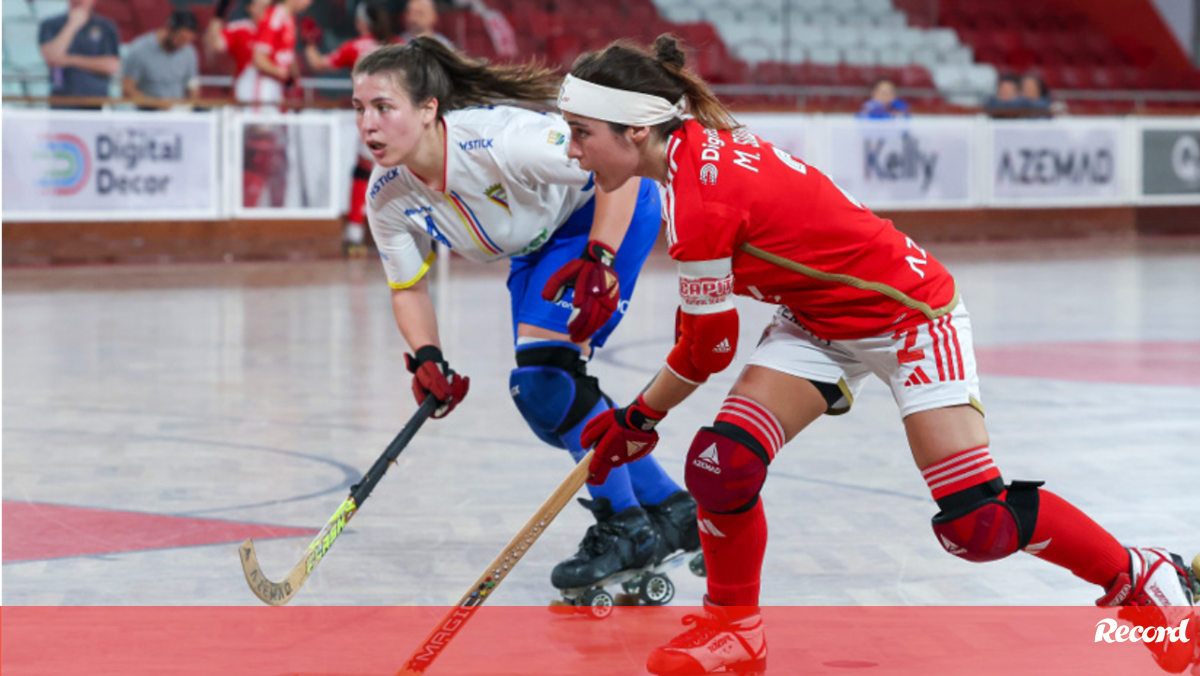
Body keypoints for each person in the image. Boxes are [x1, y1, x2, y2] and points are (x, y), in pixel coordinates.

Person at [557, 35, 1199, 676]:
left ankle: (1143, 575)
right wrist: (641, 418)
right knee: (721, 466)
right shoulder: (689, 156)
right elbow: (708, 341)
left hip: (910, 317)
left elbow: (708, 349)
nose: (572, 149)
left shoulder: (703, 195)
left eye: (581, 132)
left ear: (637, 130)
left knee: (979, 524)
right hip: (816, 320)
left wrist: (636, 419)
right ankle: (734, 630)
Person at [351, 39, 701, 595]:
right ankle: (672, 510)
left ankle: (627, 527)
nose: (367, 124)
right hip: (537, 245)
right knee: (545, 398)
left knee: (545, 381)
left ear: (427, 109)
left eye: (383, 107)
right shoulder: (387, 195)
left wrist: (601, 259)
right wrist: (427, 357)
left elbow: (624, 169)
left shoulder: (504, 143)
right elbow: (408, 286)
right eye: (359, 108)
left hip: (604, 208)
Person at [303, 2, 396, 255]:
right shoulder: (399, 46)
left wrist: (310, 42)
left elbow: (319, 64)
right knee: (400, 173)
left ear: (360, 24)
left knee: (364, 172)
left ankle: (354, 234)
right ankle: (405, 233)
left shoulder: (355, 48)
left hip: (372, 118)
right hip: (399, 118)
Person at [37, 0, 120, 108]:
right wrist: (72, 25)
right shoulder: (50, 25)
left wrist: (70, 60)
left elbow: (111, 65)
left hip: (96, 102)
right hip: (61, 100)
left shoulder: (106, 27)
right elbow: (52, 58)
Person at [122, 10, 200, 104]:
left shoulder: (189, 52)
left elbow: (192, 84)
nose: (183, 45)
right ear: (169, 29)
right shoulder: (140, 49)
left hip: (178, 111)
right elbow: (127, 87)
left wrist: (190, 104)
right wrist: (152, 103)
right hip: (148, 111)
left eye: (188, 40)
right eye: (181, 38)